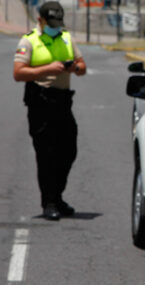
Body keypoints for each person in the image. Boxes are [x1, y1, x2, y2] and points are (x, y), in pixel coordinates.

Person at [13, 1, 87, 220]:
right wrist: (48, 69)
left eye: (58, 22)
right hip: (40, 102)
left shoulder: (66, 38)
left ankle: (57, 195)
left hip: (63, 102)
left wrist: (74, 67)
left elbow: (82, 66)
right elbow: (18, 73)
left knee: (69, 150)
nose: (55, 26)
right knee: (46, 154)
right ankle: (49, 202)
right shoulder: (29, 41)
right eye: (51, 22)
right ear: (40, 20)